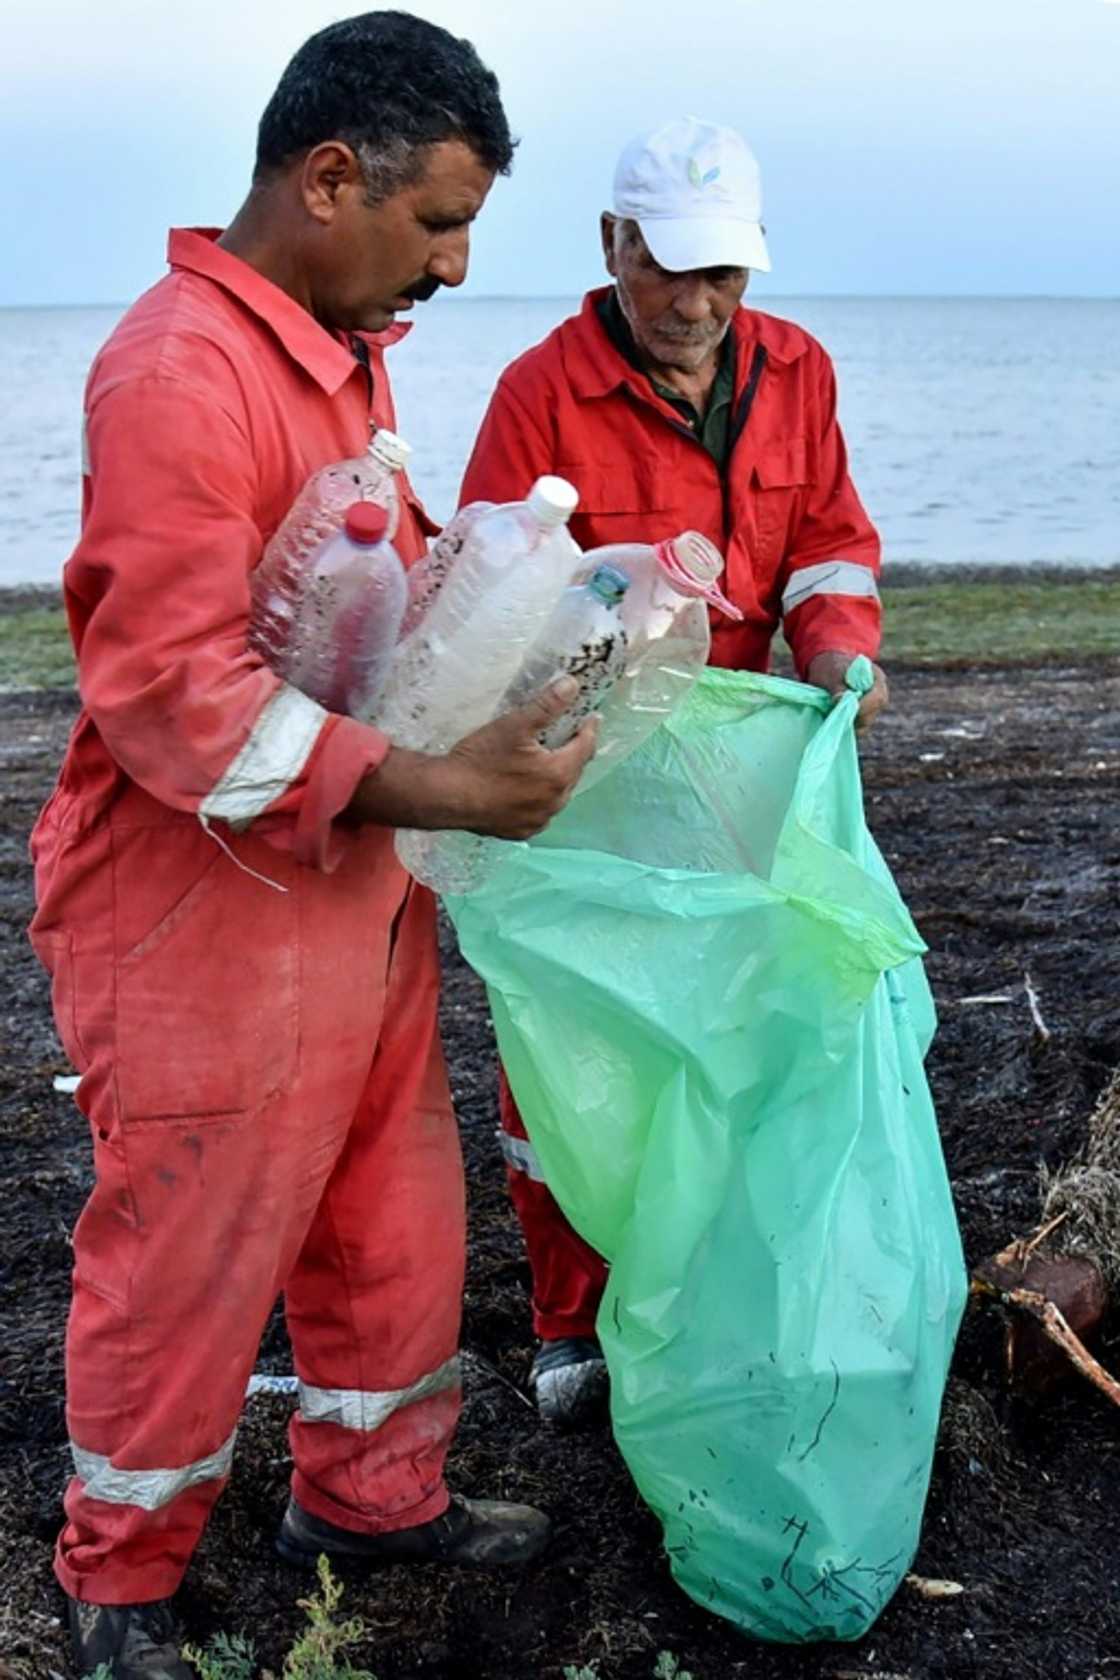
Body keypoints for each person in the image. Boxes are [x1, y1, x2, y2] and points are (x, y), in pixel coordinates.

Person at [30, 15, 599, 1679]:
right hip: (194, 907)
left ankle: (370, 1493)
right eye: (435, 224)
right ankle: (118, 1581)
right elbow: (172, 693)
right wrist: (448, 790)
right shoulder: (180, 371)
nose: (453, 264)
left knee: (394, 1211)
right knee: (193, 1241)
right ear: (329, 177)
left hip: (345, 888)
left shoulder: (340, 350)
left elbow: (376, 619)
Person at [460, 115, 889, 1426]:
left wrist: (838, 648)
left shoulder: (796, 369)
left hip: (748, 764)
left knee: (748, 1027)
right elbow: (486, 607)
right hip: (598, 772)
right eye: (670, 270)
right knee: (577, 1039)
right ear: (612, 246)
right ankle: (571, 1324)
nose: (699, 303)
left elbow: (827, 544)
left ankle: (716, 1289)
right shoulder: (540, 396)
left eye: (727, 274)